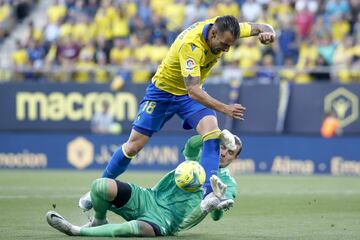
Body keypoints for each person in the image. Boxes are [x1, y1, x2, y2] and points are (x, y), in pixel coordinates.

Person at [82, 15, 274, 206]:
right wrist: (225, 108)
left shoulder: (228, 29)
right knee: (133, 146)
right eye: (224, 44)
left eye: (230, 45)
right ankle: (97, 189)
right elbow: (193, 91)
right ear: (213, 33)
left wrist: (268, 34)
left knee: (212, 131)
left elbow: (263, 26)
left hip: (187, 95)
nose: (226, 49)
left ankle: (209, 194)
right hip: (163, 93)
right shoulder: (192, 46)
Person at [47, 130, 242, 237]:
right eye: (223, 147)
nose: (224, 153)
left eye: (230, 152)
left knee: (134, 229)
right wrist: (212, 135)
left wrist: (214, 203)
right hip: (149, 198)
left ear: (235, 158)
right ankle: (99, 221)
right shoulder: (199, 158)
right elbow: (191, 145)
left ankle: (76, 231)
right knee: (101, 185)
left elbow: (217, 216)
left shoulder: (228, 183)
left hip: (168, 220)